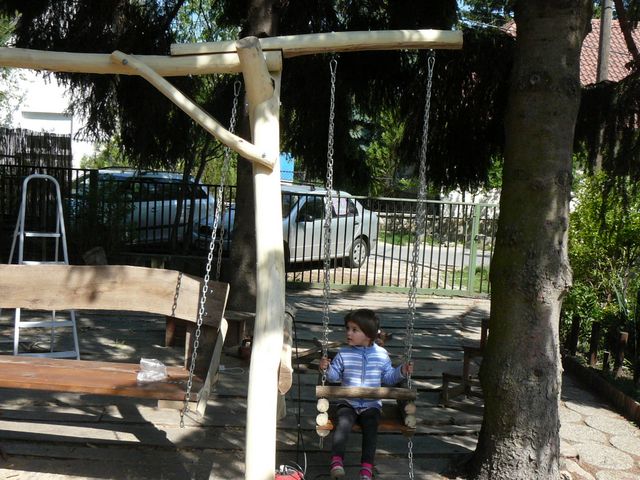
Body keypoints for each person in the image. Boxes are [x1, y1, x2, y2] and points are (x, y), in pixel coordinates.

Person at [319, 309, 414, 480]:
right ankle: (337, 462)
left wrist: (402, 371)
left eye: (354, 330)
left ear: (368, 334)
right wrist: (326, 368)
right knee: (343, 425)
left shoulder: (381, 355)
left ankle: (366, 468)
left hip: (371, 404)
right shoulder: (344, 353)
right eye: (348, 328)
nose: (349, 333)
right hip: (348, 402)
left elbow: (388, 378)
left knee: (371, 429)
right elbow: (333, 377)